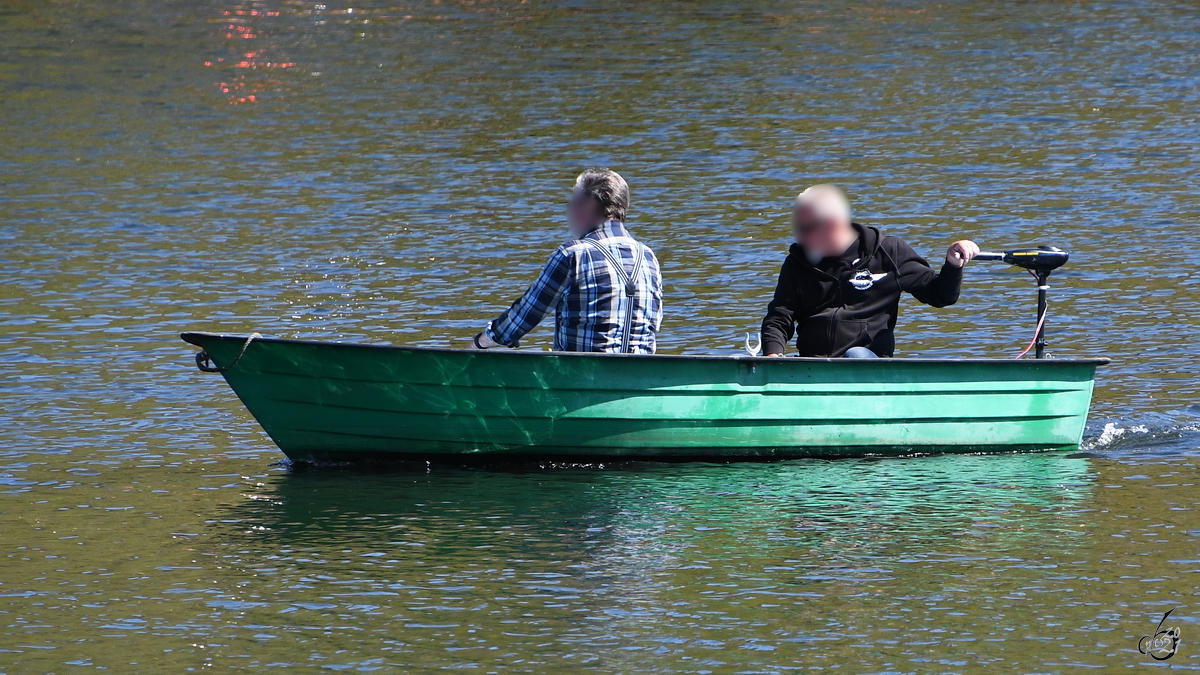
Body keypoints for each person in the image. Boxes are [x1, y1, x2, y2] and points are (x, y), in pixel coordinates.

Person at [761, 184, 979, 358]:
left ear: (834, 224)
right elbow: (780, 317)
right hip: (814, 365)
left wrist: (953, 264)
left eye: (807, 229)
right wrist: (773, 355)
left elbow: (941, 296)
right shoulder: (797, 262)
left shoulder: (889, 251)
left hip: (867, 361)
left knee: (855, 355)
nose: (801, 237)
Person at [469, 168, 663, 354]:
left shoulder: (573, 254)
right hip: (641, 375)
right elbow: (654, 323)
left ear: (588, 206)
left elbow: (524, 317)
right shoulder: (647, 257)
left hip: (584, 375)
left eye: (571, 203)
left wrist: (480, 343)